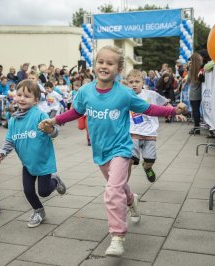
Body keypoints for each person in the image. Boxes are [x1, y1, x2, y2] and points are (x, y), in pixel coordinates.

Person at [38, 45, 187, 257]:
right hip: (100, 152)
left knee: (111, 191)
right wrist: (54, 120)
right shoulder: (85, 92)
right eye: (101, 62)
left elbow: (148, 108)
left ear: (118, 69)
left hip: (122, 149)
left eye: (110, 63)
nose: (104, 66)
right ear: (94, 65)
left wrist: (172, 110)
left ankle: (117, 236)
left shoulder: (124, 93)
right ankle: (131, 200)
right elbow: (75, 112)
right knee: (119, 187)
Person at [0, 79, 66, 227]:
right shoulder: (13, 120)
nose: (21, 98)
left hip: (44, 162)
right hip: (27, 164)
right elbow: (10, 141)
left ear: (36, 100)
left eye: (27, 96)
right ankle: (38, 211)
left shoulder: (40, 116)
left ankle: (55, 181)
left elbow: (55, 133)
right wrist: (1, 153)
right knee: (28, 191)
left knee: (44, 192)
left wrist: (50, 129)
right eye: (19, 94)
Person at [126, 69, 187, 183]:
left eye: (137, 81)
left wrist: (175, 113)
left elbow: (165, 103)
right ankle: (123, 185)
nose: (134, 85)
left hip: (150, 133)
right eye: (131, 82)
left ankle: (147, 167)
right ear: (127, 83)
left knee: (150, 160)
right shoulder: (125, 96)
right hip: (133, 132)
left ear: (143, 82)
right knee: (130, 159)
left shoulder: (151, 94)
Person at [181, 52, 204, 134]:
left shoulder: (192, 68)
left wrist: (184, 84)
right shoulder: (201, 68)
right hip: (200, 90)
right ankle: (197, 127)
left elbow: (189, 79)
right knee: (197, 110)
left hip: (193, 92)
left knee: (195, 110)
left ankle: (196, 127)